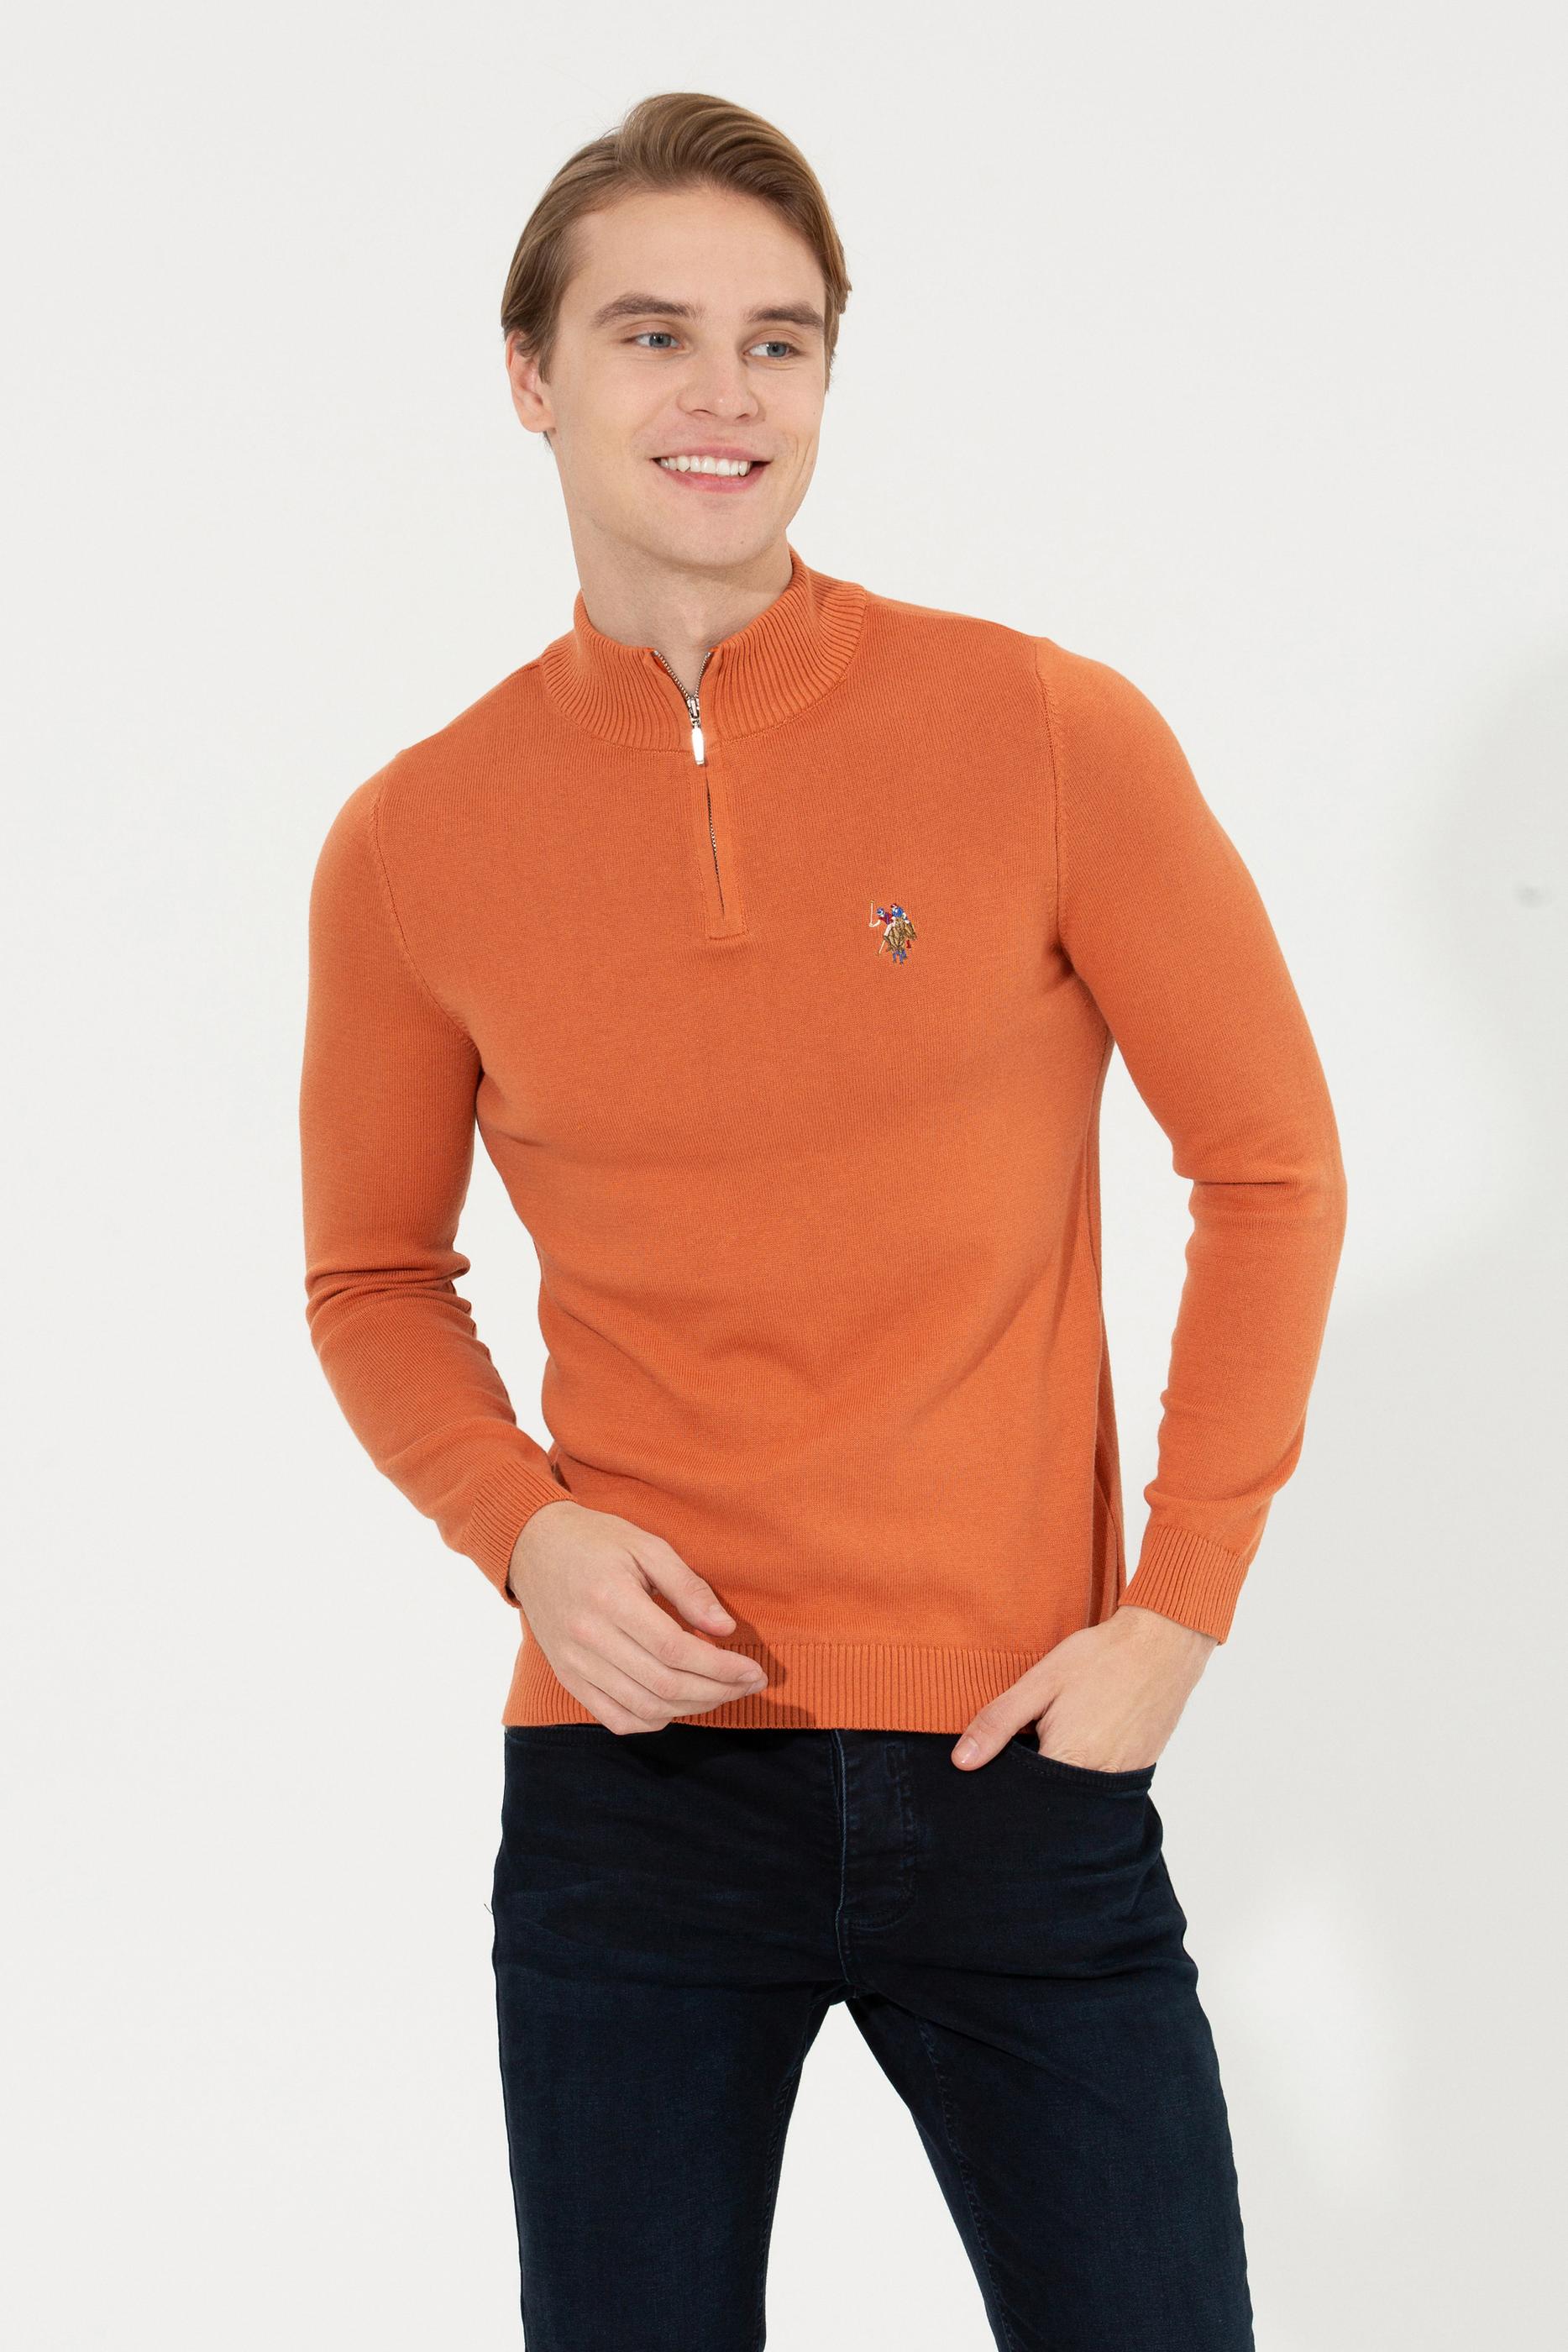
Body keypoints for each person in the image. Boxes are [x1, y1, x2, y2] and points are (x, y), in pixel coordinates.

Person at [298, 89, 1347, 2352]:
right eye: (654, 333)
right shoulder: (413, 840)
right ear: (531, 376)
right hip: (631, 1796)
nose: (726, 394)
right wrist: (524, 1537)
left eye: (779, 342)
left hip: (1018, 1761)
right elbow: (375, 1277)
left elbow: (1268, 1165)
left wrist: (1177, 1606)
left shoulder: (1044, 732)